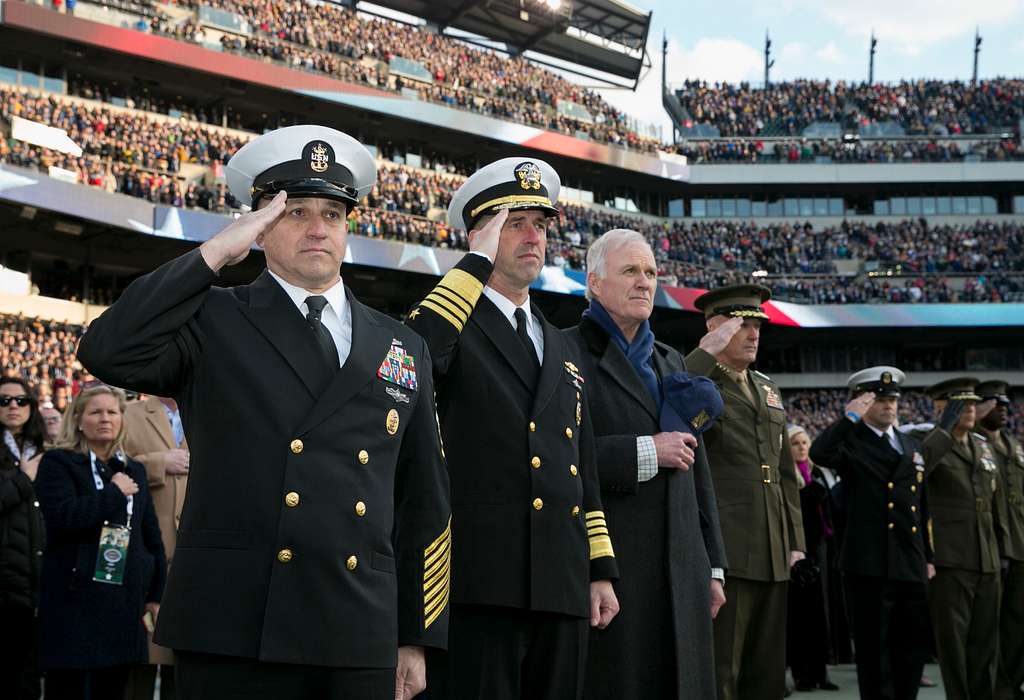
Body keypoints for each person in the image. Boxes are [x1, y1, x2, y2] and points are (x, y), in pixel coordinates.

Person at [77, 125, 451, 700]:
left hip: (358, 626)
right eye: (295, 212)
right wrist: (217, 252)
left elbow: (424, 499)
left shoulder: (402, 343)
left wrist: (416, 635)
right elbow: (107, 349)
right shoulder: (214, 317)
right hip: (238, 624)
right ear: (260, 226)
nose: (318, 228)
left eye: (332, 212)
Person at [407, 157, 619, 700]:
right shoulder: (453, 324)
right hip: (481, 582)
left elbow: (583, 468)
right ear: (480, 236)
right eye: (514, 223)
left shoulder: (561, 344)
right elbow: (415, 355)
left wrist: (599, 567)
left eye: (541, 225)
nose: (533, 236)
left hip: (561, 582)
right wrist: (472, 266)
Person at [564, 228, 727, 699]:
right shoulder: (564, 352)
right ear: (594, 283)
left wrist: (713, 564)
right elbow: (555, 457)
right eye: (631, 271)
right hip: (613, 568)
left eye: (651, 272)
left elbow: (699, 472)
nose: (645, 282)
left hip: (684, 570)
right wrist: (642, 452)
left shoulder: (670, 359)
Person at [685, 283, 805, 700]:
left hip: (773, 547)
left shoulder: (767, 388)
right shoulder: (698, 378)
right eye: (742, 326)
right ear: (715, 328)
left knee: (767, 671)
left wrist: (794, 539)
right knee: (723, 669)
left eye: (758, 326)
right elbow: (672, 393)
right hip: (728, 547)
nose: (754, 334)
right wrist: (705, 352)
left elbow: (785, 471)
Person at [809, 366, 955, 700]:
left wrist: (927, 557)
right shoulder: (851, 441)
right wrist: (849, 419)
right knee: (876, 653)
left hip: (909, 559)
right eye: (878, 400)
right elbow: (820, 453)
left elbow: (919, 501)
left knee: (911, 648)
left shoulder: (908, 442)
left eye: (892, 400)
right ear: (862, 403)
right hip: (869, 563)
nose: (889, 406)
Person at [33, 384, 166, 699]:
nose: (105, 418)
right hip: (74, 598)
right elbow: (64, 518)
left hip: (122, 597)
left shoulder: (133, 469)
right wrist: (113, 494)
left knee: (114, 687)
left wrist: (156, 591)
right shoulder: (58, 463)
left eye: (113, 412)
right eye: (96, 412)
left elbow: (150, 536)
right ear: (78, 420)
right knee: (68, 689)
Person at [918, 377, 1005, 700]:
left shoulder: (982, 445)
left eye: (972, 403)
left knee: (985, 642)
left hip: (987, 557)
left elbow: (994, 503)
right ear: (942, 408)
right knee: (953, 644)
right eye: (961, 404)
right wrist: (943, 429)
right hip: (950, 558)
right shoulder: (929, 442)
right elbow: (917, 473)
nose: (970, 410)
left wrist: (1001, 549)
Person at [122, 395, 190, 700]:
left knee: (184, 661)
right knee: (141, 660)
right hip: (147, 550)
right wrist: (158, 462)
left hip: (194, 552)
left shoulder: (210, 408)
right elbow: (109, 459)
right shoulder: (128, 412)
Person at [974, 381, 1024, 700]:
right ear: (978, 407)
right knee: (986, 627)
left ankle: (1010, 685)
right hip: (986, 546)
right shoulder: (970, 444)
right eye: (995, 403)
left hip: (1019, 546)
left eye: (1005, 404)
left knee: (1018, 624)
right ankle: (988, 689)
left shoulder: (1014, 445)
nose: (1003, 408)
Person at [0, 377, 46, 700]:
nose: (13, 406)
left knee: (29, 677)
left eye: (21, 400)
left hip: (38, 579)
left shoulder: (44, 449)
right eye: (4, 401)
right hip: (4, 580)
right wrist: (23, 479)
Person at [786, 424, 839, 692]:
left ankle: (822, 671)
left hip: (821, 550)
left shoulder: (818, 474)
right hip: (797, 552)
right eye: (795, 443)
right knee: (800, 616)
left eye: (805, 442)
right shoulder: (787, 476)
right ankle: (802, 674)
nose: (802, 447)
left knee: (822, 614)